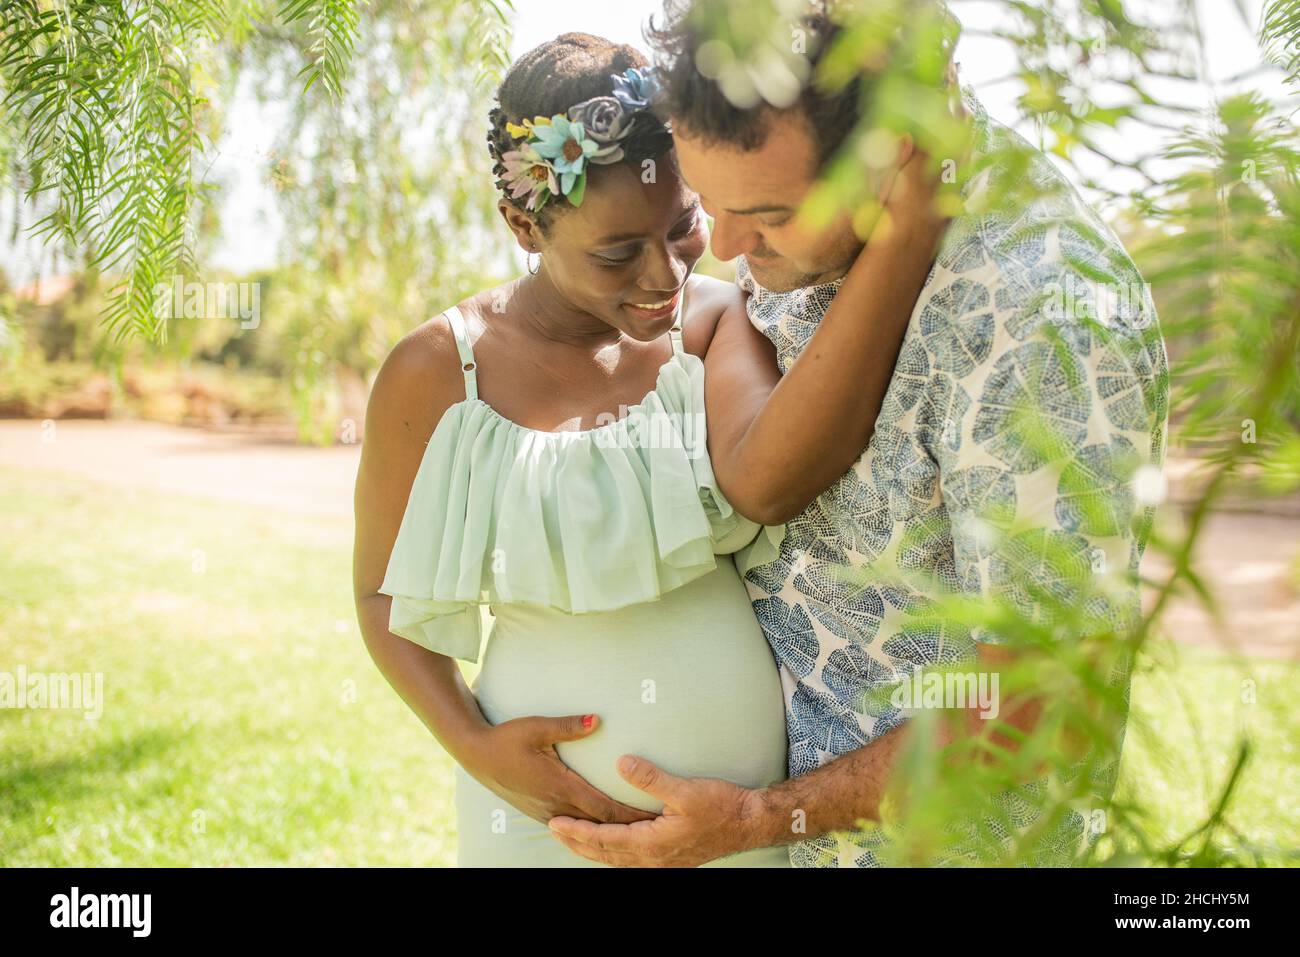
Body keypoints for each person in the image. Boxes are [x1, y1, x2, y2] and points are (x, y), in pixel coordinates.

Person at [547, 1, 1169, 868]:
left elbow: (1045, 705)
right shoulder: (821, 229)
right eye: (710, 204)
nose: (724, 248)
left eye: (765, 212)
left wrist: (766, 817)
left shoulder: (1039, 316)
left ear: (894, 156)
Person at [352, 32, 946, 866]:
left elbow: (766, 483)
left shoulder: (710, 321)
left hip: (734, 827)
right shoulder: (437, 373)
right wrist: (475, 748)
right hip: (541, 824)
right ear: (524, 224)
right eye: (616, 252)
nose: (665, 273)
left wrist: (902, 237)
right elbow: (383, 599)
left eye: (681, 227)